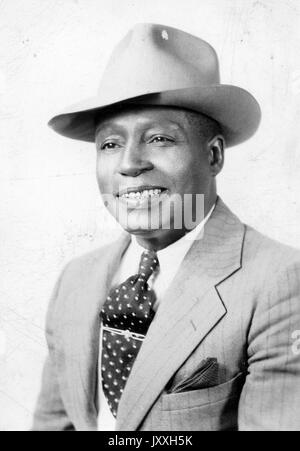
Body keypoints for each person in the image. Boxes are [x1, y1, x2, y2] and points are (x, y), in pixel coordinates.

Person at [32, 23, 300, 431]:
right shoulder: (76, 279)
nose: (128, 163)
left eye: (159, 139)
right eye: (110, 144)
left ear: (213, 155)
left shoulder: (279, 282)